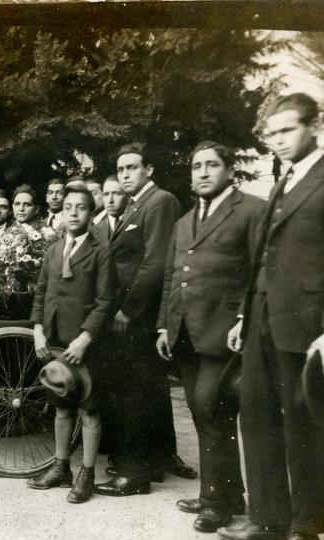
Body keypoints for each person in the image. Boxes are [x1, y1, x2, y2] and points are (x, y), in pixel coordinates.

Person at [218, 93, 324, 540]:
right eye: (272, 133)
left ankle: (306, 535)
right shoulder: (283, 181)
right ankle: (268, 519)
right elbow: (262, 259)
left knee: (303, 430)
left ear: (313, 126)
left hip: (305, 326)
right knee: (256, 417)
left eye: (287, 130)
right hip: (261, 318)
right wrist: (244, 315)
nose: (278, 140)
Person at [155, 141, 265, 532]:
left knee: (211, 409)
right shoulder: (184, 222)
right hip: (186, 333)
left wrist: (243, 318)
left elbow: (261, 270)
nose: (202, 172)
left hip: (224, 334)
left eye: (212, 165)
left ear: (229, 170)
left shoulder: (251, 210)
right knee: (204, 415)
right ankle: (226, 494)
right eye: (196, 165)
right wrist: (166, 325)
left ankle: (216, 503)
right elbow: (172, 276)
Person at [95, 142, 195, 498]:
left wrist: (129, 309)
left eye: (132, 168)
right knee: (143, 390)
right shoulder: (136, 205)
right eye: (121, 169)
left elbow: (155, 263)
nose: (125, 175)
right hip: (131, 311)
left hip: (140, 315)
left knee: (134, 392)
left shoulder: (160, 202)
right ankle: (150, 463)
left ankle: (133, 475)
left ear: (148, 170)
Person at [27, 184, 114, 503]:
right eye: (68, 207)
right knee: (61, 406)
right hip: (55, 340)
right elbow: (40, 292)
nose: (74, 212)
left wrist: (85, 338)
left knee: (88, 411)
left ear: (91, 214)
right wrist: (38, 329)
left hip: (84, 343)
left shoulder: (100, 251)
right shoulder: (52, 250)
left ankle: (86, 474)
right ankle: (60, 466)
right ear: (61, 214)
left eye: (81, 207)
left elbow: (105, 301)